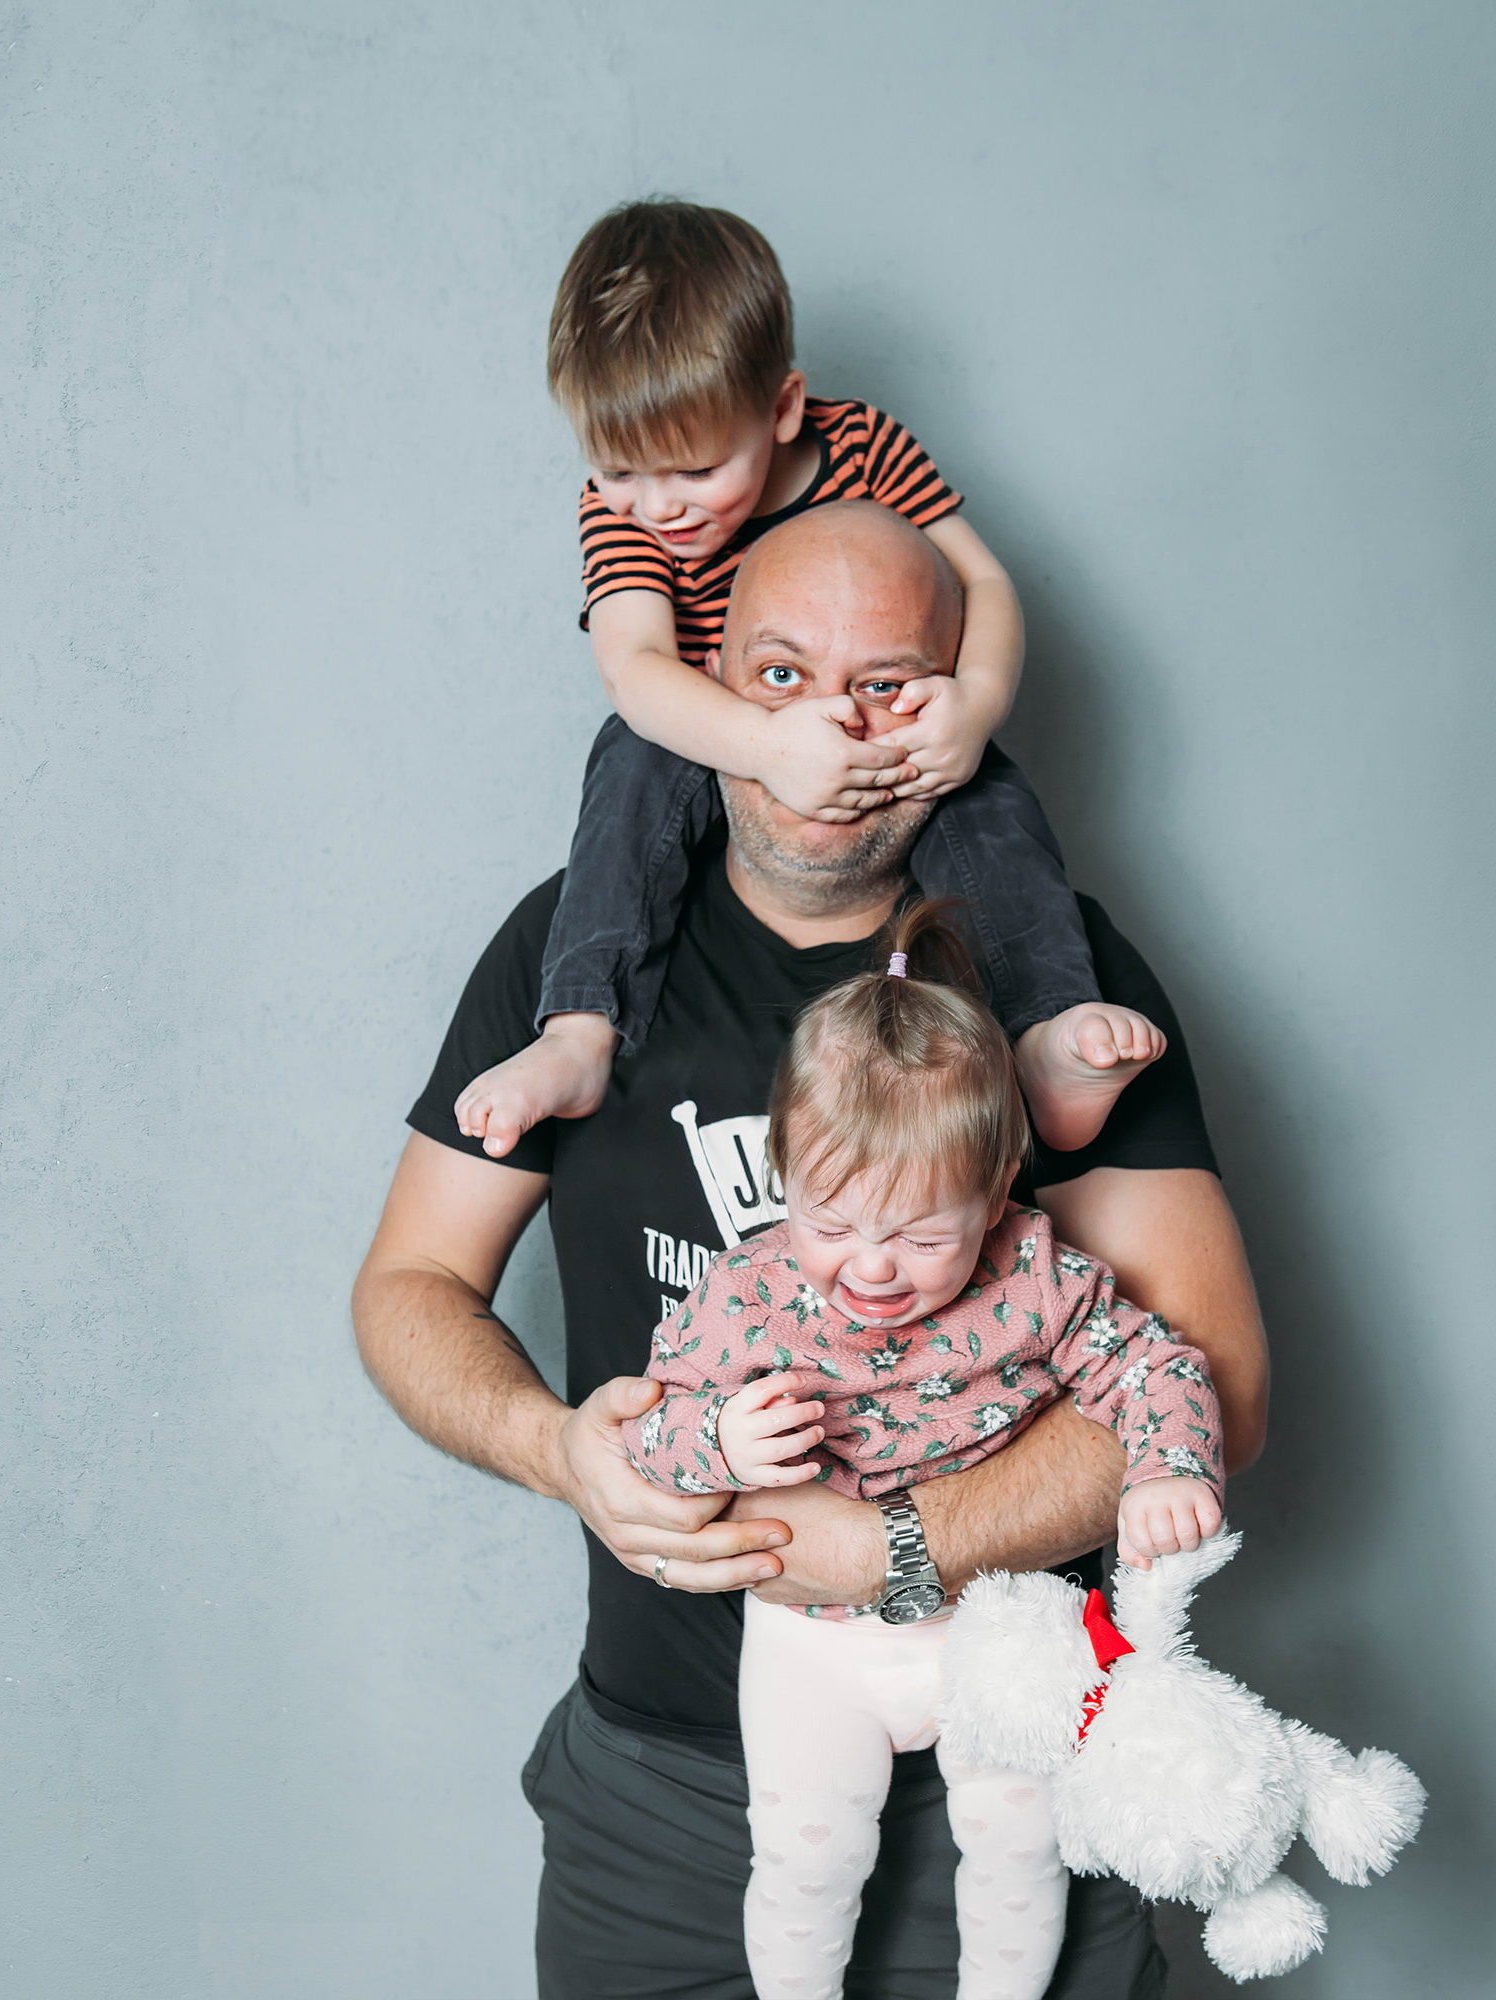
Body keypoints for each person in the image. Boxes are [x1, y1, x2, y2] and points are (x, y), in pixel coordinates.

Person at [352, 501, 1271, 1999]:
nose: (833, 732)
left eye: (889, 685)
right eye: (781, 676)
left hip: (1016, 1756)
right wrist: (558, 1450)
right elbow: (410, 1287)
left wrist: (897, 1548)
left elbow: (1212, 1379)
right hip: (661, 1797)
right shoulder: (572, 956)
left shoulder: (1059, 981)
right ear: (708, 685)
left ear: (962, 700)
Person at [452, 199, 1164, 1163]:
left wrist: (975, 703)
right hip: (724, 727)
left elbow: (986, 582)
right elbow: (636, 666)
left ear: (784, 409)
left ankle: (1045, 1033)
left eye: (697, 470)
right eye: (617, 469)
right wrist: (767, 746)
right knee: (630, 754)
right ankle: (580, 1031)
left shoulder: (862, 446)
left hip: (882, 727)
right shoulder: (622, 516)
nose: (657, 507)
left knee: (986, 794)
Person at [625, 896, 1225, 2000]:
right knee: (806, 1860)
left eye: (917, 1236)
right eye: (830, 1224)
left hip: (999, 1623)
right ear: (784, 1171)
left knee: (1020, 1844)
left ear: (994, 1198)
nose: (871, 1267)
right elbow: (643, 1436)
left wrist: (1169, 1467)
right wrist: (717, 1436)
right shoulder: (747, 1294)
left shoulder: (1034, 1276)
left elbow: (1159, 1364)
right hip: (813, 1639)